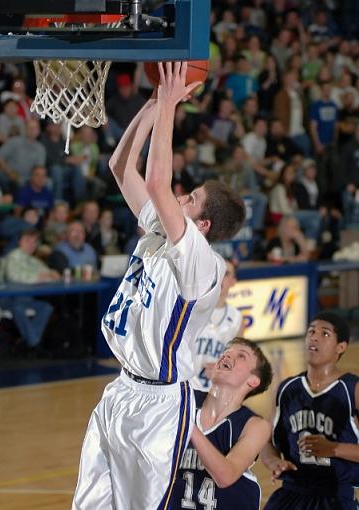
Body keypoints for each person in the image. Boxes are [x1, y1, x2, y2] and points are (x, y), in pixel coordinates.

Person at [72, 62, 246, 509]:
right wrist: (152, 103)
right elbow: (119, 164)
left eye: (189, 200)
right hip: (121, 389)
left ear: (202, 224)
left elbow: (155, 181)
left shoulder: (201, 261)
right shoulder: (158, 229)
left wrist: (170, 102)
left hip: (160, 403)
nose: (179, 197)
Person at [261, 312, 359, 510]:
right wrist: (273, 461)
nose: (314, 337)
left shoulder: (353, 389)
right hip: (292, 493)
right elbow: (267, 441)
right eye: (311, 331)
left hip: (336, 497)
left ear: (341, 346)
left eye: (324, 334)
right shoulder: (286, 389)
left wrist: (333, 448)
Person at [172, 338, 273, 510]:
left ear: (253, 380)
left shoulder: (255, 426)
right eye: (226, 351)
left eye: (241, 356)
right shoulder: (184, 397)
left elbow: (225, 476)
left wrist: (188, 424)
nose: (226, 355)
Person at [192, 259, 244, 391]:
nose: (220, 278)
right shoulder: (193, 309)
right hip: (187, 389)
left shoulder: (237, 318)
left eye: (226, 274)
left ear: (233, 281)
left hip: (217, 392)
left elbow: (238, 363)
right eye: (218, 272)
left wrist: (222, 370)